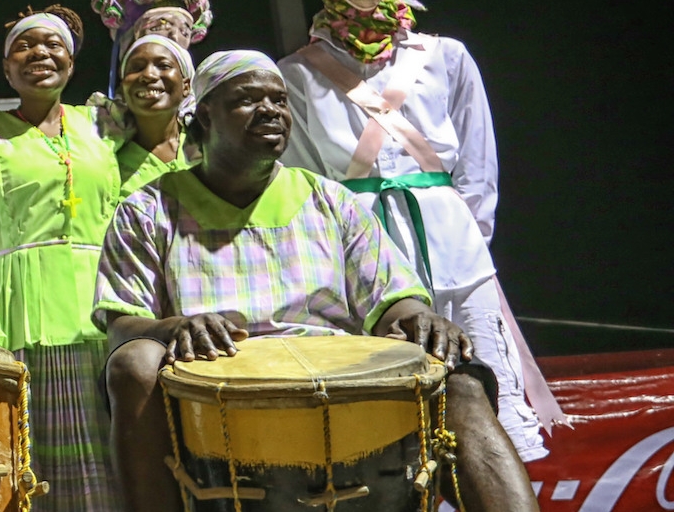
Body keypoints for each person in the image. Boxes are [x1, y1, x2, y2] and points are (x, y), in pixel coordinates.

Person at [97, 50, 539, 512]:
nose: (271, 110)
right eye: (248, 99)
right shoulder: (149, 209)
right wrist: (170, 328)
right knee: (132, 362)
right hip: (212, 388)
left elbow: (392, 299)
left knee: (460, 381)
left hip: (339, 387)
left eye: (280, 100)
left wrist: (421, 318)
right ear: (204, 114)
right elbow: (121, 322)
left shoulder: (330, 200)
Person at [276, 0, 548, 461]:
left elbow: (478, 165)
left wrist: (467, 241)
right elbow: (304, 179)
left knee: (487, 398)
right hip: (358, 253)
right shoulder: (295, 74)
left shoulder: (446, 55)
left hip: (454, 251)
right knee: (384, 426)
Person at [0, 6, 123, 510]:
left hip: (104, 309)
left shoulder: (106, 125)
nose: (39, 53)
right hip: (19, 310)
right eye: (24, 46)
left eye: (52, 45)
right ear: (5, 67)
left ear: (71, 62)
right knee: (25, 458)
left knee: (116, 453)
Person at [87, 0, 211, 197]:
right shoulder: (96, 135)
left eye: (185, 31)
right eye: (159, 26)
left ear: (186, 84)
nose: (173, 35)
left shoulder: (211, 140)